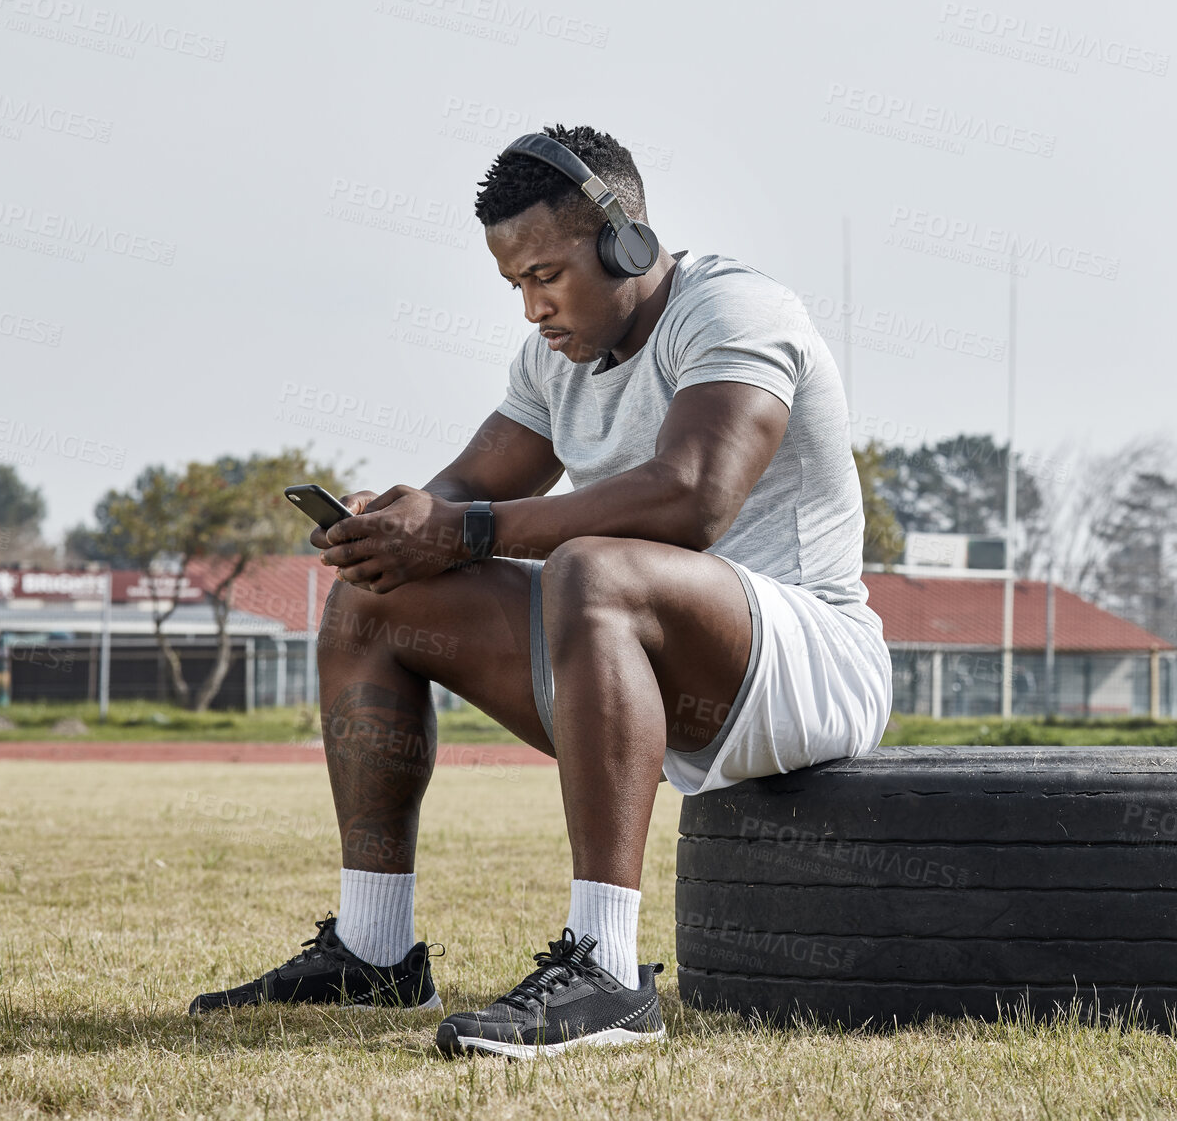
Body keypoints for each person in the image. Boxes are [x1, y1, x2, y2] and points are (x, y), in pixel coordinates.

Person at [188, 124, 892, 1059]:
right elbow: (468, 491)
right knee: (374, 595)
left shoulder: (735, 311)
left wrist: (466, 533)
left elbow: (692, 499)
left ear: (625, 241)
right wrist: (394, 523)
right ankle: (373, 950)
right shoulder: (555, 359)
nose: (531, 309)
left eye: (547, 275)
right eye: (516, 284)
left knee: (591, 565)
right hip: (643, 671)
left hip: (808, 672)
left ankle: (605, 974)